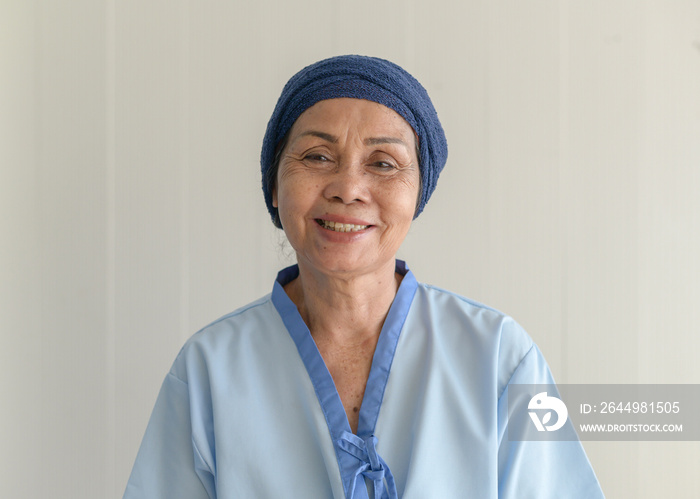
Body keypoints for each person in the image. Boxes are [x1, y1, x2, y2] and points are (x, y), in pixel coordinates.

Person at [123, 55, 604, 498]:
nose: (348, 188)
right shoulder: (208, 371)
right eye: (316, 156)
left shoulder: (500, 359)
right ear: (274, 185)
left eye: (383, 164)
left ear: (418, 193)